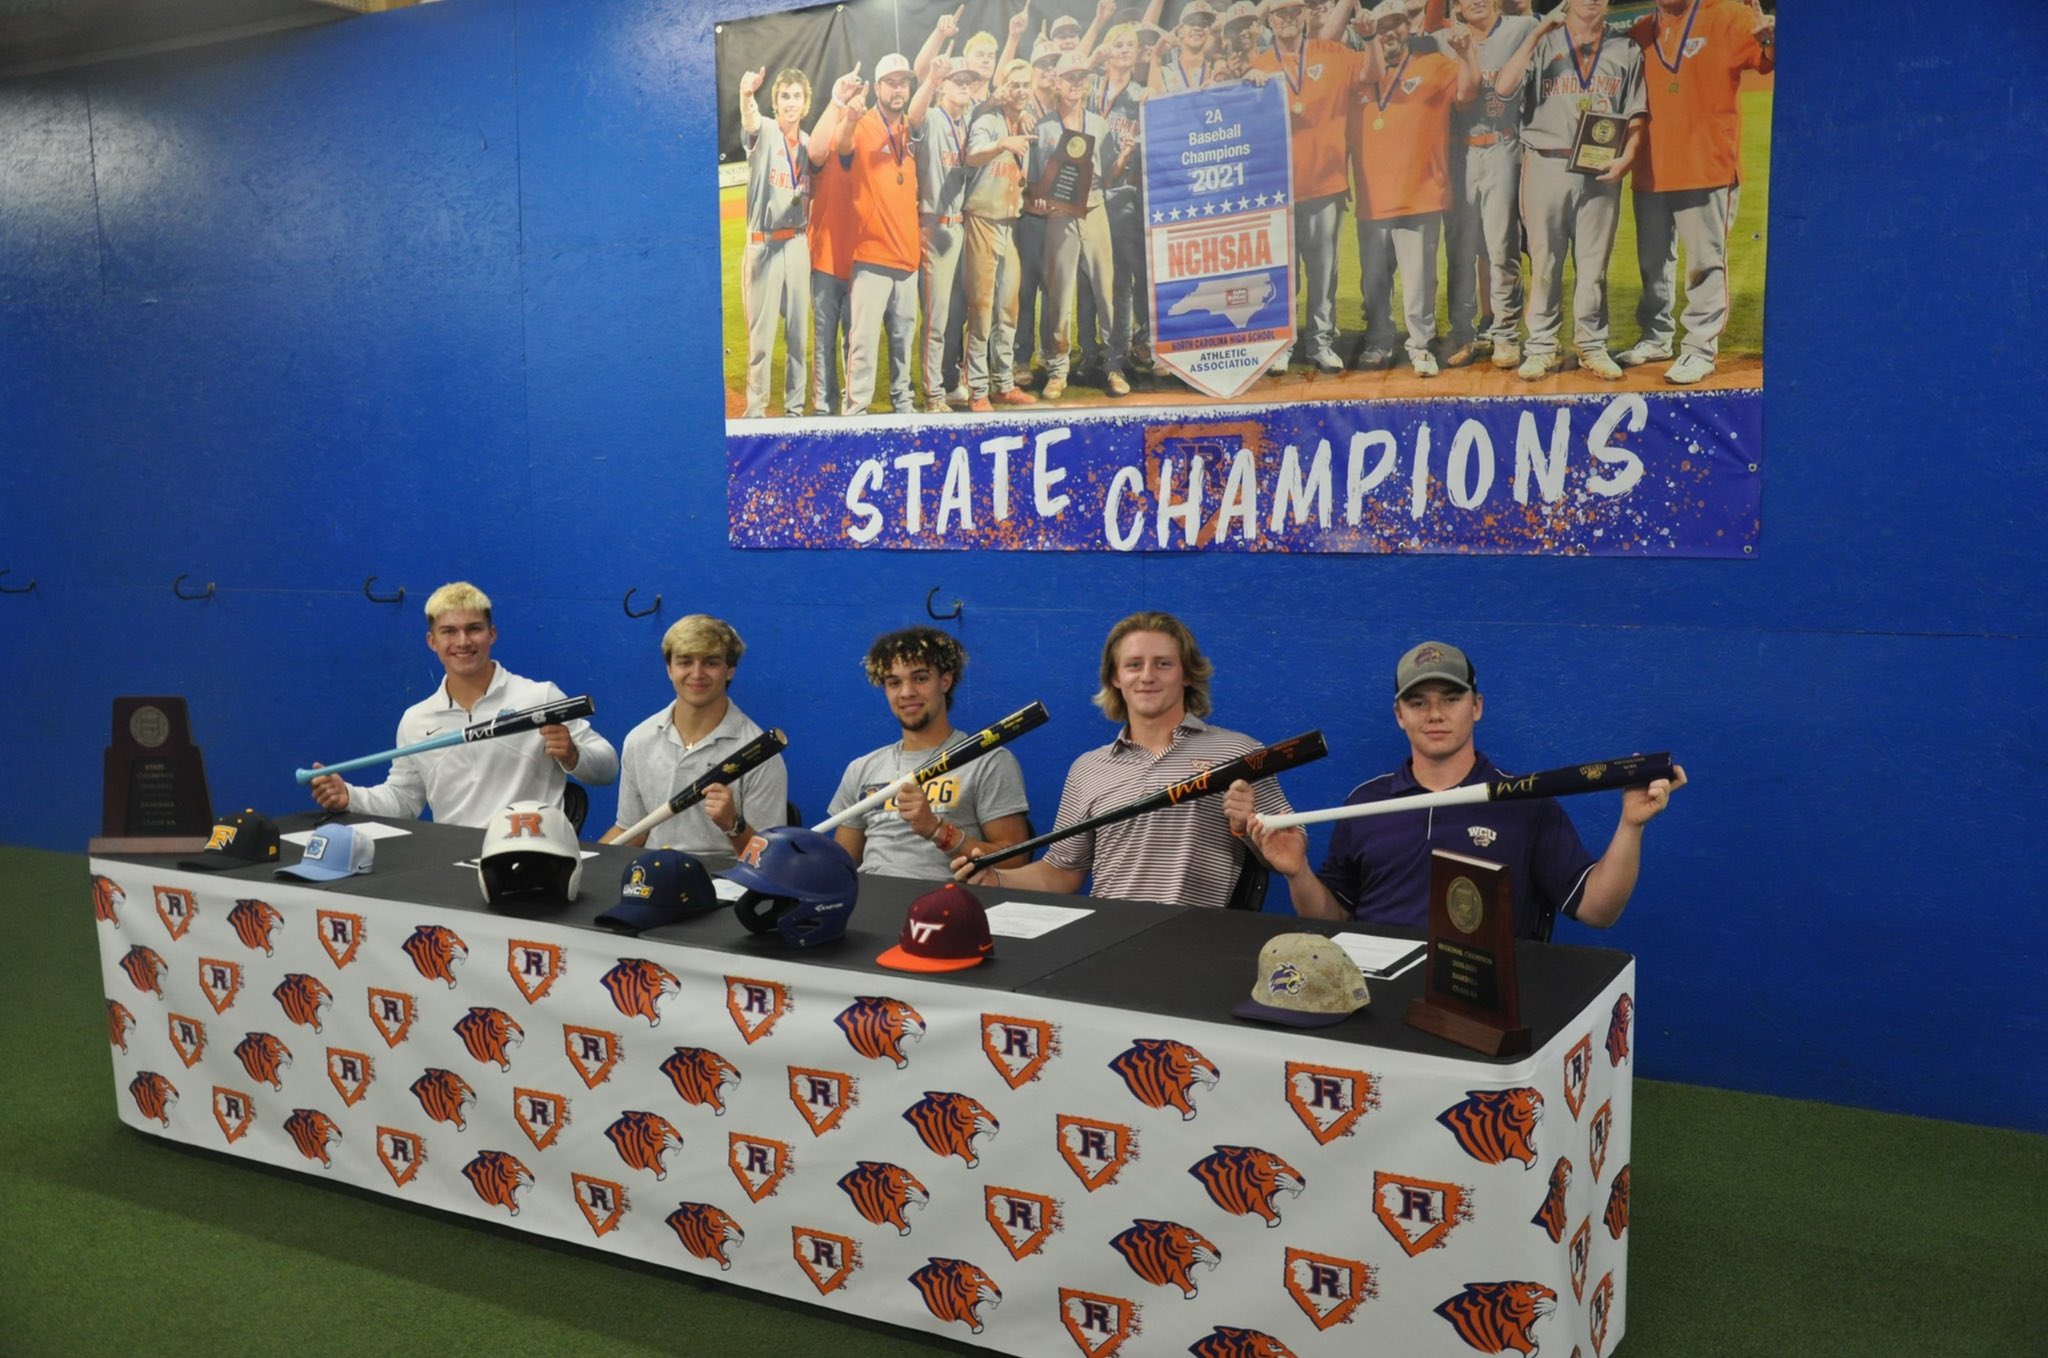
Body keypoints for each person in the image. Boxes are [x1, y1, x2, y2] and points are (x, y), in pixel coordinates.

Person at [1225, 641, 1686, 938]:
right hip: (1374, 996)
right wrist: (1297, 872)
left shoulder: (1526, 802)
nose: (1435, 714)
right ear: (1399, 716)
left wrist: (1630, 825)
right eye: (1418, 702)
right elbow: (1333, 923)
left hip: (1488, 1001)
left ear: (1477, 707)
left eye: (1451, 699)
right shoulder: (1364, 803)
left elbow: (1598, 911)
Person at [957, 612, 1300, 910]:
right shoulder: (1087, 769)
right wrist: (997, 878)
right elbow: (1062, 872)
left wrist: (1250, 826)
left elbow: (1286, 850)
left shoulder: (1239, 754)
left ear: (1187, 674)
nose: (1147, 676)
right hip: (1109, 938)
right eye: (1134, 665)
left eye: (1163, 664)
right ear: (1115, 678)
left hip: (1198, 939)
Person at [309, 582, 616, 829]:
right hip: (451, 863)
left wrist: (574, 756)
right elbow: (403, 800)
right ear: (432, 641)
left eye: (474, 628)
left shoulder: (540, 697)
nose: (463, 641)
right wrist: (349, 796)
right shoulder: (416, 720)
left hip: (537, 855)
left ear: (491, 634)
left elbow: (607, 768)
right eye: (449, 631)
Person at [1616, 0, 1776, 385]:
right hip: (1651, 169)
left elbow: (1768, 61)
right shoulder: (1640, 30)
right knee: (1653, 265)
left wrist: (1771, 40)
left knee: (1704, 264)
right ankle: (1656, 337)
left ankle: (1700, 349)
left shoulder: (1729, 15)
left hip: (1707, 167)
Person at [1493, 0, 1646, 382]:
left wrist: (1627, 158)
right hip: (1546, 161)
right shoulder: (1543, 43)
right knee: (1544, 262)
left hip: (1600, 168)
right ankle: (1542, 346)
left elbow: (1637, 113)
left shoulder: (1625, 49)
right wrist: (1538, 33)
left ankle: (1591, 346)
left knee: (1593, 266)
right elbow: (1504, 86)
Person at [829, 627, 1032, 879]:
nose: (906, 692)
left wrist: (937, 830)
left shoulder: (987, 761)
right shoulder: (862, 768)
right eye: (894, 683)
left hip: (945, 906)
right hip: (870, 902)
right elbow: (838, 867)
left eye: (920, 678)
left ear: (945, 681)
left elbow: (1014, 862)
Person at [1346, 0, 1478, 376]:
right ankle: (1379, 341)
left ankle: (1420, 346)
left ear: (1409, 27)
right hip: (1372, 197)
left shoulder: (1434, 64)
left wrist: (1468, 56)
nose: (1390, 32)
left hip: (1420, 193)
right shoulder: (1358, 71)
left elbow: (1468, 94)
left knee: (1420, 281)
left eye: (1397, 24)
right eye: (1382, 25)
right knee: (1373, 280)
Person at [601, 615, 788, 871]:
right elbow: (631, 830)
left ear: (729, 669)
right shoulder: (639, 739)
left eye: (710, 663)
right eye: (685, 662)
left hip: (725, 883)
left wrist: (733, 824)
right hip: (652, 877)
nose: (697, 674)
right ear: (669, 669)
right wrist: (584, 863)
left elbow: (770, 859)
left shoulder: (759, 752)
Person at [1251, 0, 1363, 376]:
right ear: (1270, 19)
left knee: (1324, 270)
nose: (1286, 18)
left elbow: (1374, 73)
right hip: (1277, 189)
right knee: (1281, 273)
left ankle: (1320, 341)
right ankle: (1281, 344)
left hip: (1324, 183)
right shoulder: (1259, 64)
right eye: (1278, 13)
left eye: (1293, 11)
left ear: (1303, 16)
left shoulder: (1331, 52)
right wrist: (1247, 84)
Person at [1437, 0, 1538, 370]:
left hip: (1502, 145)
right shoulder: (1442, 39)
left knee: (1501, 246)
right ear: (1457, 7)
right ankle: (1465, 333)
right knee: (1461, 251)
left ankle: (1506, 333)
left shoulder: (1520, 29)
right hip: (1459, 154)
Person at [831, 54, 923, 415]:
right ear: (878, 86)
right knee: (863, 343)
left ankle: (904, 405)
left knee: (903, 342)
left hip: (908, 257)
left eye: (904, 83)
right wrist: (850, 118)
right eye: (891, 82)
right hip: (871, 256)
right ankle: (856, 411)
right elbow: (842, 146)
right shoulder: (865, 122)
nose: (898, 89)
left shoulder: (911, 128)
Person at [1030, 53, 1121, 401]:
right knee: (1060, 293)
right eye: (1068, 78)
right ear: (1057, 82)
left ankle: (1113, 365)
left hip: (1095, 207)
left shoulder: (1099, 124)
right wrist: (1039, 199)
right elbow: (1035, 182)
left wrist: (1123, 158)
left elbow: (1109, 172)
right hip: (1059, 215)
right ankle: (1058, 369)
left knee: (1105, 291)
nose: (1074, 84)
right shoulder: (1044, 128)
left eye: (1080, 78)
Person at [962, 59, 1044, 411]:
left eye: (1027, 85)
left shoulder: (1025, 123)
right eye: (1015, 85)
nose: (1022, 91)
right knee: (981, 309)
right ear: (1004, 89)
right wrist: (1002, 144)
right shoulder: (989, 121)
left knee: (1008, 309)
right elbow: (972, 155)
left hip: (1009, 223)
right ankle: (977, 388)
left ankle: (1003, 383)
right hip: (982, 219)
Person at [736, 65, 813, 418]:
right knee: (761, 341)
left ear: (806, 102)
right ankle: (755, 413)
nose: (791, 103)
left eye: (797, 96)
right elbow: (750, 121)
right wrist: (746, 95)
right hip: (764, 246)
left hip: (797, 244)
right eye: (785, 96)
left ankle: (795, 412)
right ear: (776, 101)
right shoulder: (765, 131)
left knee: (798, 339)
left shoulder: (810, 144)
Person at [911, 56, 979, 413]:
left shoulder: (967, 119)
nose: (965, 85)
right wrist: (932, 75)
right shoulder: (933, 118)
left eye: (969, 80)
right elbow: (914, 116)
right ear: (942, 86)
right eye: (957, 80)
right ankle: (932, 394)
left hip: (961, 225)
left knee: (958, 313)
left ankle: (952, 384)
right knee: (936, 318)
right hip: (934, 226)